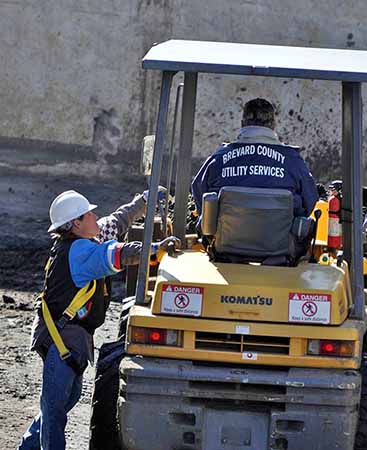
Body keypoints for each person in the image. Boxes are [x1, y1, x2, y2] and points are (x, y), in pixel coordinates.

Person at [18, 189, 178, 450]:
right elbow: (117, 254)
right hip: (63, 339)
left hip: (69, 339)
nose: (95, 216)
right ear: (75, 224)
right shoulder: (80, 251)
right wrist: (155, 249)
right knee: (55, 412)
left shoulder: (83, 238)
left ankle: (27, 448)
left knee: (61, 403)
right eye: (88, 213)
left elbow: (117, 221)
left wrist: (144, 202)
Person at [191, 98, 318, 217]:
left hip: (224, 238)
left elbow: (198, 189)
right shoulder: (292, 160)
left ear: (242, 124)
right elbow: (309, 199)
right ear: (273, 125)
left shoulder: (219, 158)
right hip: (281, 239)